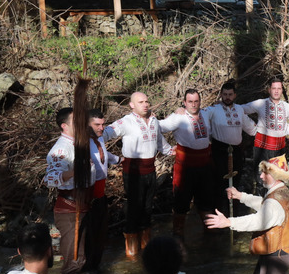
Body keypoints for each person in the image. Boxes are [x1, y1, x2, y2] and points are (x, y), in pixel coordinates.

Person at [204, 155, 289, 274]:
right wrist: (241, 196)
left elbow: (258, 221)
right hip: (275, 254)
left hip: (275, 257)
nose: (261, 176)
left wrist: (228, 222)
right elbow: (264, 204)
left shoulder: (274, 202)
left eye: (266, 173)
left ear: (276, 176)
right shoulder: (282, 192)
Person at [103, 92, 173, 258]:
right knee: (134, 209)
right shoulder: (125, 122)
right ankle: (132, 252)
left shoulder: (154, 121)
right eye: (140, 102)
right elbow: (105, 133)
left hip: (150, 170)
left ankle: (146, 247)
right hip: (133, 172)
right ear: (132, 105)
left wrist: (174, 150)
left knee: (148, 208)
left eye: (147, 101)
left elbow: (160, 143)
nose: (145, 104)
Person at [43, 107, 96, 274]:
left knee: (83, 257)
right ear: (64, 126)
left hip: (84, 205)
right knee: (73, 262)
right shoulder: (60, 149)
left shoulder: (79, 143)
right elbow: (49, 179)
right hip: (69, 208)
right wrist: (74, 172)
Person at [159, 89, 217, 237]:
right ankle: (178, 237)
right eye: (190, 101)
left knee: (207, 202)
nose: (193, 104)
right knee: (181, 203)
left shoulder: (206, 113)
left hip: (204, 167)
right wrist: (165, 148)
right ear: (184, 103)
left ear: (200, 102)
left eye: (196, 101)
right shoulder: (178, 117)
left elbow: (224, 107)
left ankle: (209, 238)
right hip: (185, 168)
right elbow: (156, 128)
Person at [201, 80, 256, 216]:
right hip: (219, 152)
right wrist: (181, 111)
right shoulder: (213, 110)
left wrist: (269, 131)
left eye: (230, 94)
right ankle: (218, 214)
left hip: (236, 152)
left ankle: (234, 215)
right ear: (221, 95)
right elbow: (196, 115)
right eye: (225, 94)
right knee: (219, 184)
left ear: (235, 95)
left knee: (235, 183)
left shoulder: (239, 109)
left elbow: (252, 129)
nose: (227, 97)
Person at [241, 77, 289, 193]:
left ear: (282, 90)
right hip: (262, 147)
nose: (276, 91)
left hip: (280, 149)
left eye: (279, 88)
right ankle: (261, 208)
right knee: (261, 179)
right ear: (269, 90)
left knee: (278, 180)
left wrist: (286, 130)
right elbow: (240, 110)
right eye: (274, 88)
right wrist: (252, 128)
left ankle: (276, 207)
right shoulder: (261, 104)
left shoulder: (286, 107)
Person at [86, 109, 120, 269]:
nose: (101, 128)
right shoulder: (82, 143)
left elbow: (104, 156)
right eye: (97, 124)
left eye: (103, 124)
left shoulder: (99, 139)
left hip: (101, 194)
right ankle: (86, 269)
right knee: (90, 235)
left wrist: (119, 159)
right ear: (87, 124)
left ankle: (96, 267)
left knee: (100, 233)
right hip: (88, 196)